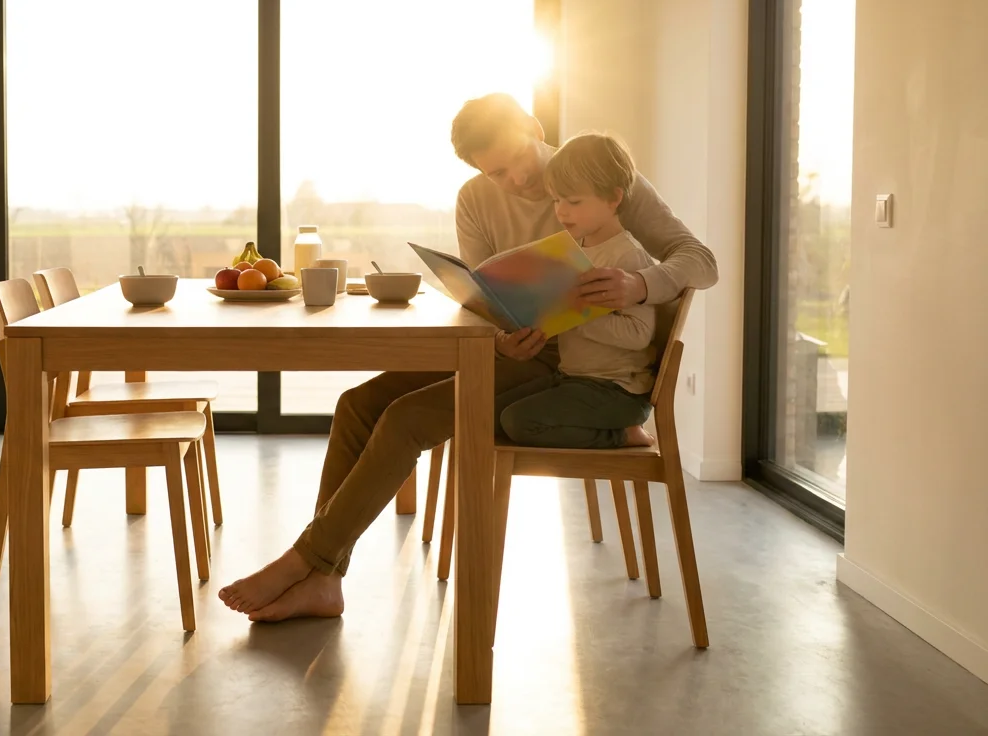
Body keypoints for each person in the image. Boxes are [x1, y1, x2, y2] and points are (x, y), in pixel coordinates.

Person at [218, 93, 718, 622]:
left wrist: (639, 284)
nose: (516, 183)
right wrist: (499, 333)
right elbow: (487, 297)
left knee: (407, 419)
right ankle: (325, 577)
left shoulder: (594, 176)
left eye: (517, 163)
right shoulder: (476, 199)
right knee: (357, 405)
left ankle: (309, 561)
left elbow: (701, 262)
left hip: (573, 364)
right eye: (497, 173)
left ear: (532, 126)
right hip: (510, 348)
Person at [498, 131, 658, 450]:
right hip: (574, 379)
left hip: (618, 391)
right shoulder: (575, 251)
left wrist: (575, 314)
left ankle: (622, 435)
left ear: (613, 198)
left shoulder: (626, 256)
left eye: (573, 202)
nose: (562, 211)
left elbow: (639, 335)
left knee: (518, 421)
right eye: (557, 200)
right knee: (487, 414)